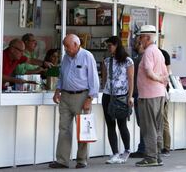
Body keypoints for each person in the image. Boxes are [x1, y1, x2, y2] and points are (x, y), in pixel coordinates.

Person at [49, 34, 99, 169]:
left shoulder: (87, 56)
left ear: (76, 45)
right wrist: (57, 90)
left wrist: (90, 98)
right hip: (65, 96)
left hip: (81, 96)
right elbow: (62, 75)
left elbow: (94, 79)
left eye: (68, 46)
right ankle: (62, 160)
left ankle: (81, 160)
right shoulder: (66, 57)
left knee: (83, 129)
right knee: (64, 128)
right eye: (65, 46)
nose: (65, 49)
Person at [135, 25, 168, 167]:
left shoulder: (148, 52)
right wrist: (161, 80)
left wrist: (157, 78)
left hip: (149, 95)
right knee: (157, 126)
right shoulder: (158, 52)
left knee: (148, 127)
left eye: (141, 37)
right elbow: (166, 74)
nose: (139, 40)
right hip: (159, 94)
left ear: (148, 37)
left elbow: (148, 72)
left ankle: (150, 156)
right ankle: (157, 154)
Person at [101, 36, 134, 164]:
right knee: (110, 124)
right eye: (107, 46)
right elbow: (104, 78)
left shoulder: (128, 61)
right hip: (108, 95)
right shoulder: (107, 61)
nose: (109, 48)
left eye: (110, 45)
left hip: (122, 96)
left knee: (122, 124)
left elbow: (131, 80)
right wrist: (105, 88)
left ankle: (126, 150)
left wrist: (130, 96)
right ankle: (115, 152)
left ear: (117, 45)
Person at [130, 35, 146, 158]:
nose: (134, 44)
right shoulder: (139, 58)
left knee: (142, 122)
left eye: (137, 42)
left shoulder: (139, 59)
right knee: (143, 122)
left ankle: (143, 148)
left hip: (139, 93)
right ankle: (144, 147)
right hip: (140, 93)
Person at [160, 48, 172, 157]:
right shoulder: (165, 53)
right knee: (163, 120)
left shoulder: (163, 54)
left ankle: (166, 147)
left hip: (161, 91)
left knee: (163, 120)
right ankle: (165, 147)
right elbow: (168, 73)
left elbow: (167, 74)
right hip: (163, 91)